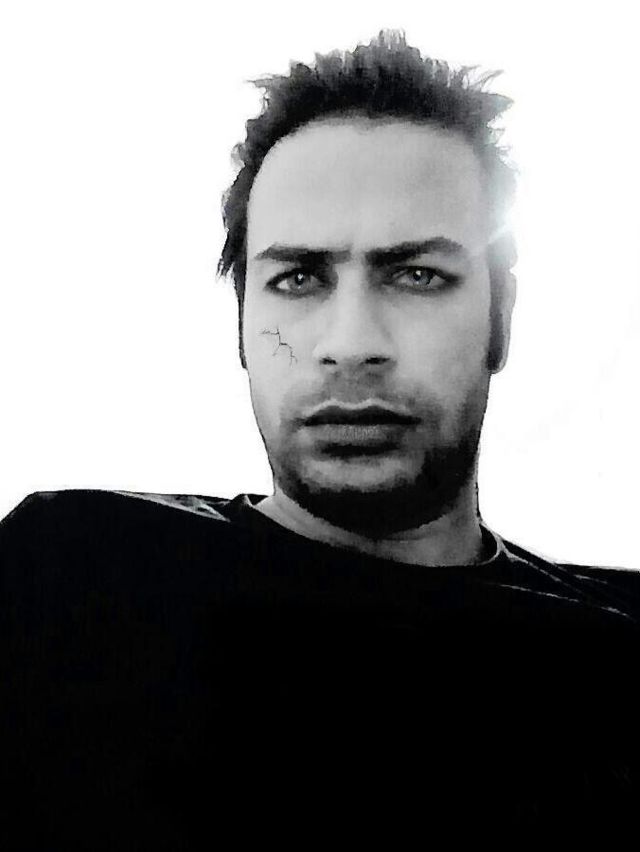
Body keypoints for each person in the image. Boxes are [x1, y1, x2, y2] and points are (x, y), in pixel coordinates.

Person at [1, 30, 639, 848]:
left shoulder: (620, 652)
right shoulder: (68, 576)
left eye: (417, 275)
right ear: (242, 320)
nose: (351, 343)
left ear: (500, 318)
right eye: (298, 278)